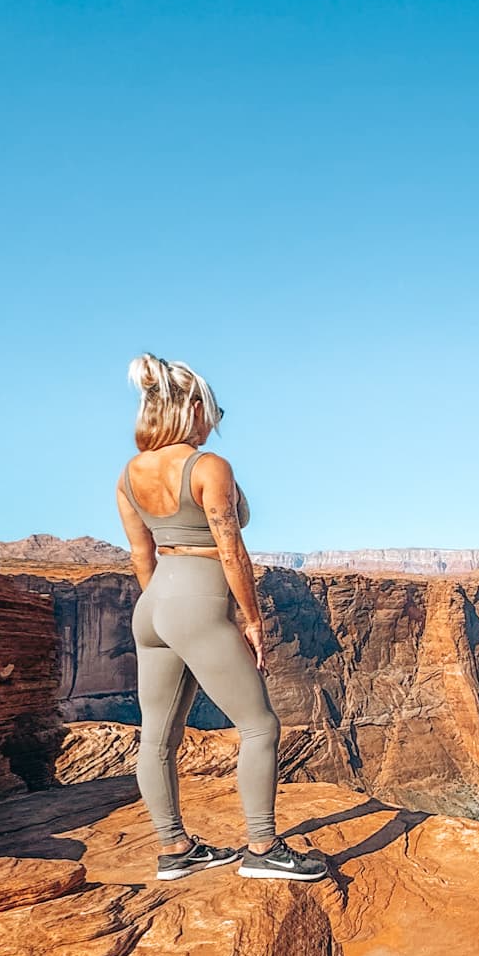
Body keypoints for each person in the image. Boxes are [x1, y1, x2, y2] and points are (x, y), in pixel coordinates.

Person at [115, 354, 327, 883]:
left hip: (155, 603)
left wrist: (166, 612)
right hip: (199, 600)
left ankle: (174, 849)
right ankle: (262, 848)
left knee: (158, 737)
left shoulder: (129, 473)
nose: (215, 420)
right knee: (260, 725)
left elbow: (141, 555)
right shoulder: (208, 467)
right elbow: (232, 551)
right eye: (213, 409)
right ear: (190, 408)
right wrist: (249, 620)